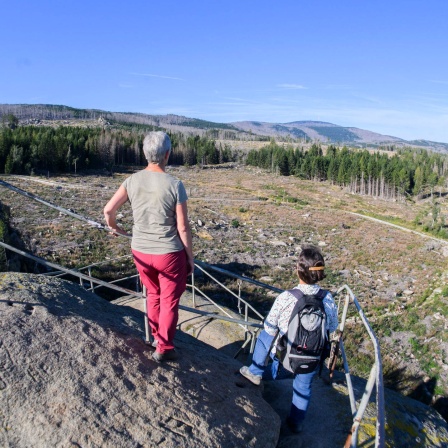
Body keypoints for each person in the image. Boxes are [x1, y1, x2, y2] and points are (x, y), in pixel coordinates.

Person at [104, 131, 194, 362]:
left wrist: (115, 228)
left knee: (153, 294)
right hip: (169, 254)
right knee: (169, 300)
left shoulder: (131, 181)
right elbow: (183, 228)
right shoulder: (175, 184)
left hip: (141, 251)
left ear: (145, 154)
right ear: (167, 155)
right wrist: (189, 257)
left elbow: (108, 210)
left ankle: (155, 337)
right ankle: (164, 347)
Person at [239, 246, 338, 433]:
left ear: (298, 270)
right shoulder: (328, 299)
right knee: (303, 388)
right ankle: (296, 423)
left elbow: (269, 327)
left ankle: (255, 371)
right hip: (312, 358)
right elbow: (332, 327)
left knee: (266, 335)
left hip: (287, 357)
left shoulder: (286, 298)